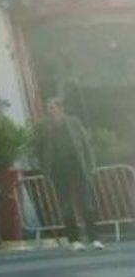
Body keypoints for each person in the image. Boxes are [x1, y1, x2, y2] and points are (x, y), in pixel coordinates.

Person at [38, 97, 105, 251]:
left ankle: (94, 238)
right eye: (47, 107)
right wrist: (45, 169)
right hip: (58, 167)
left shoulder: (74, 122)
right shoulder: (44, 127)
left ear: (60, 108)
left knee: (86, 201)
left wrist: (91, 165)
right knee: (65, 204)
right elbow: (40, 149)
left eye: (52, 107)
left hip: (77, 165)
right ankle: (74, 240)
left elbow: (85, 144)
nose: (49, 110)